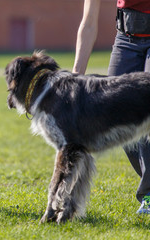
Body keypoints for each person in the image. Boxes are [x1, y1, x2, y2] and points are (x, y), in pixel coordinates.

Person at [73, 0, 150, 214]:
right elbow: (88, 23)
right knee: (118, 115)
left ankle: (149, 194)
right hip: (126, 39)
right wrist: (75, 78)